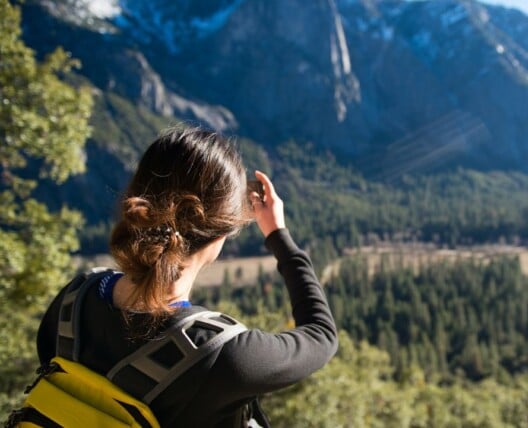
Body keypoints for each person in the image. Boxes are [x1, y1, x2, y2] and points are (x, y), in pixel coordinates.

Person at [35, 126, 338, 427]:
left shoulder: (72, 304)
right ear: (223, 232)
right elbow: (321, 335)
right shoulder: (223, 356)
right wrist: (279, 237)